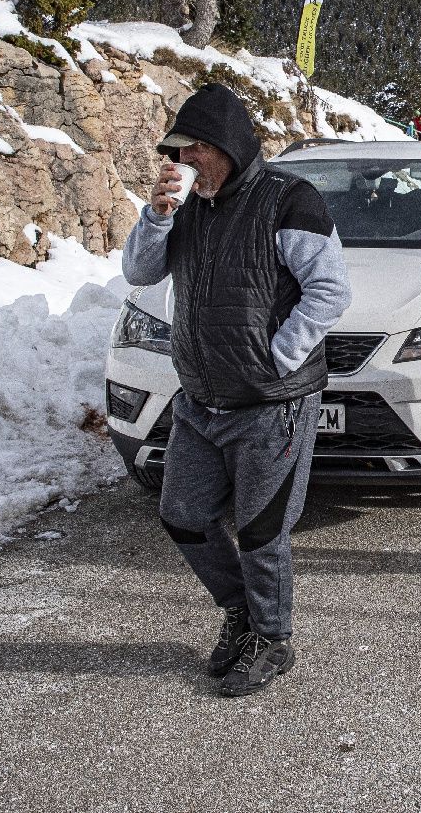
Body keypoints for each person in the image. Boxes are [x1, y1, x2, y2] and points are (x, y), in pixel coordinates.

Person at [121, 83, 351, 698]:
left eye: (189, 150)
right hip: (199, 399)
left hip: (271, 406)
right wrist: (157, 216)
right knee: (182, 515)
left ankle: (272, 640)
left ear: (222, 145)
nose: (179, 163)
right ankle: (242, 612)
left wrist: (275, 360)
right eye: (173, 153)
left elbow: (329, 289)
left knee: (260, 529)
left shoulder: (288, 200)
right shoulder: (189, 206)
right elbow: (142, 273)